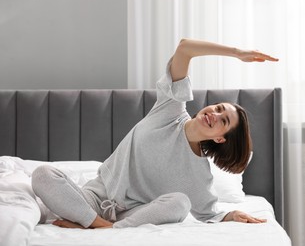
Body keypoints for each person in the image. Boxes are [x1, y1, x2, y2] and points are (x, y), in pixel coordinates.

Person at [31, 39, 278, 229]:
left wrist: (231, 215)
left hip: (131, 216)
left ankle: (100, 227)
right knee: (42, 174)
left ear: (220, 138)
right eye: (219, 107)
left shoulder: (199, 176)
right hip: (92, 199)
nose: (214, 113)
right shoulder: (170, 109)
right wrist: (237, 53)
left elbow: (210, 213)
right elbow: (185, 48)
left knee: (180, 202)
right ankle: (100, 226)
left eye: (223, 120)